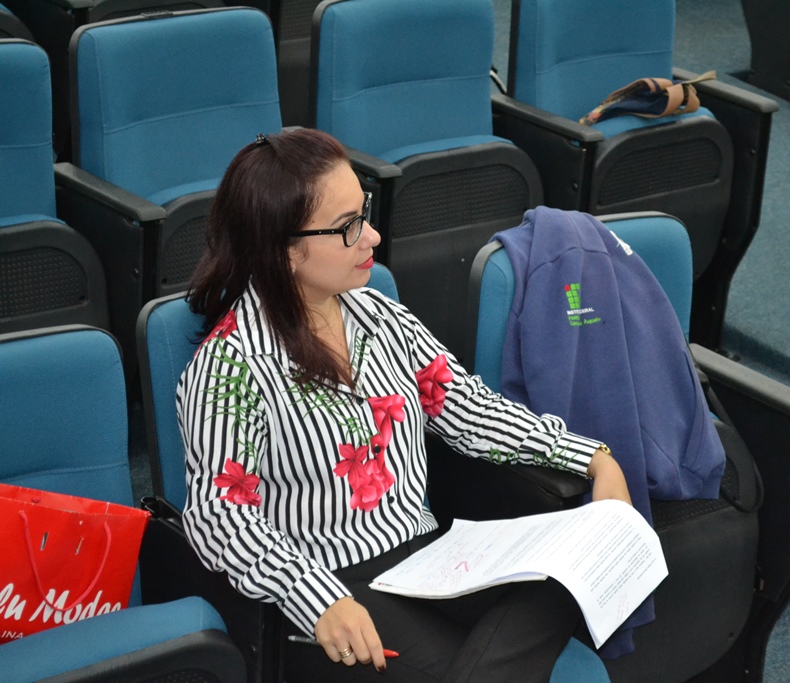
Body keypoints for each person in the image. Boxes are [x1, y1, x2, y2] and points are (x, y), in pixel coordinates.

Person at [177, 128, 631, 682]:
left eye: (363, 213)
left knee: (574, 574)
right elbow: (218, 516)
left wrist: (592, 458)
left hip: (427, 558)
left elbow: (469, 409)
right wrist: (316, 598)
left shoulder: (380, 316)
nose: (371, 235)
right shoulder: (229, 367)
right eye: (348, 226)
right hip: (335, 584)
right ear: (284, 250)